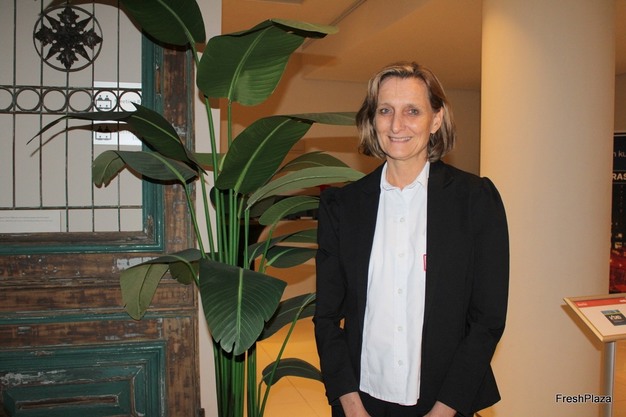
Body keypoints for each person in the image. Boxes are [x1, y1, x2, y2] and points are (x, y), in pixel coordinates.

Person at [314, 62, 509, 417]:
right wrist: (351, 405)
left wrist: (444, 411)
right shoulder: (343, 206)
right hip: (361, 401)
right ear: (372, 119)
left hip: (444, 401)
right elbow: (326, 317)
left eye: (412, 111)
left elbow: (487, 320)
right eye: (385, 110)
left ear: (436, 119)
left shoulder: (475, 200)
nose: (396, 125)